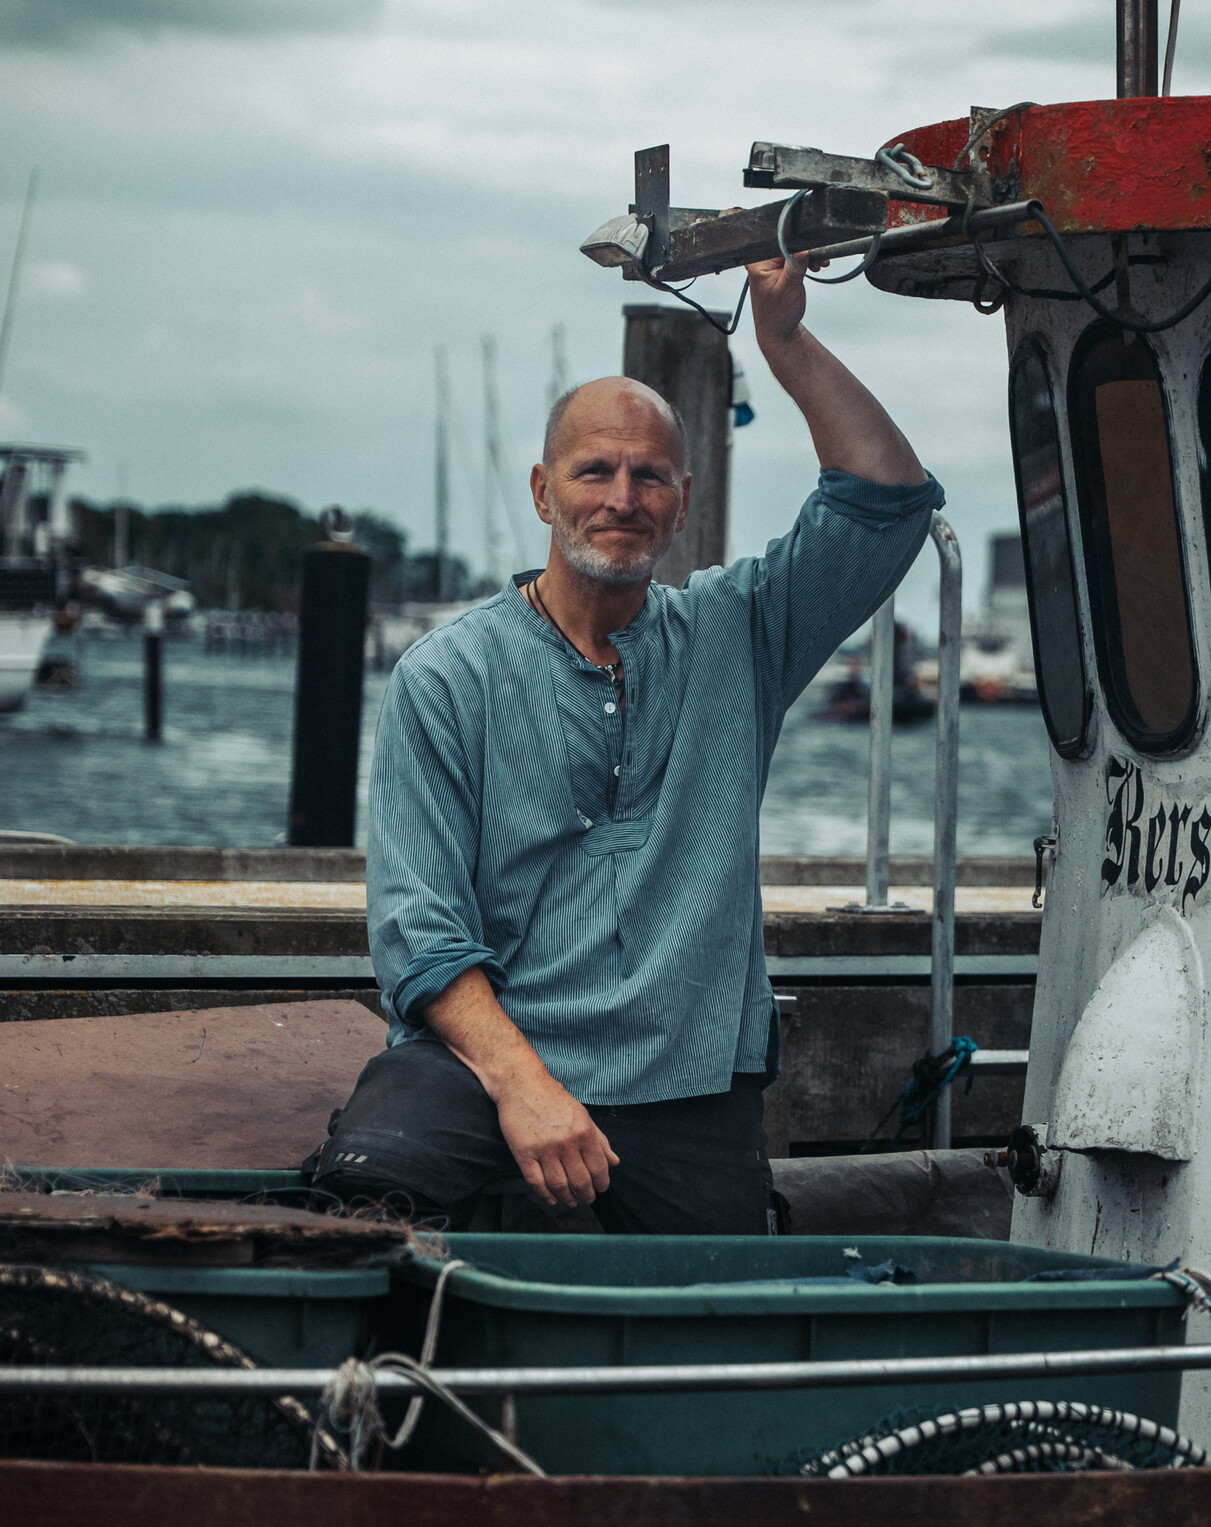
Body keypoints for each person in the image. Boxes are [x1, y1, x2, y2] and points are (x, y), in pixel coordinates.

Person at [306, 254, 939, 1232]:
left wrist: (781, 342)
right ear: (541, 490)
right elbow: (419, 935)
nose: (622, 496)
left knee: (703, 1331)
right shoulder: (446, 674)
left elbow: (887, 501)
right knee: (369, 1191)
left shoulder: (740, 633)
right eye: (594, 469)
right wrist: (527, 1088)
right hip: (488, 1060)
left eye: (649, 475)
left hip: (686, 1084)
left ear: (683, 500)